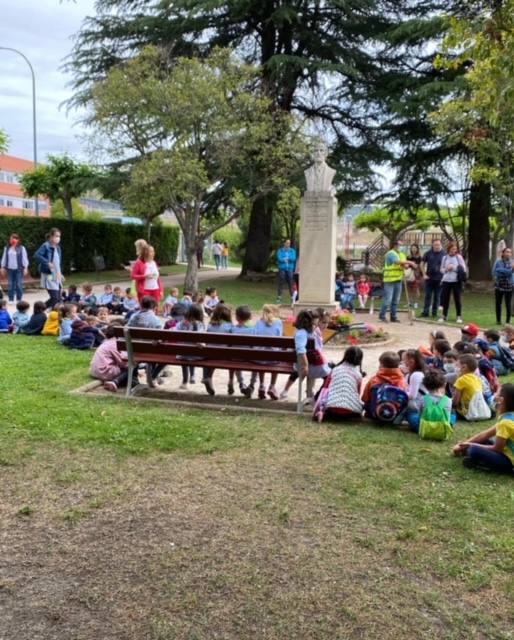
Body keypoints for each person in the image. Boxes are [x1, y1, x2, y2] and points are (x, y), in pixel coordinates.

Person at [453, 383, 514, 473]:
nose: (493, 395)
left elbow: (497, 449)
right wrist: (465, 443)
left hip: (509, 461)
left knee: (474, 450)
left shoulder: (505, 423)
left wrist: (471, 445)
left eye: (496, 393)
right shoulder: (509, 416)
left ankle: (484, 465)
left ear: (500, 400)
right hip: (505, 451)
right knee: (482, 441)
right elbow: (486, 434)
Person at [312, 346, 365, 422]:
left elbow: (325, 388)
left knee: (328, 408)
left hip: (331, 407)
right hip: (350, 410)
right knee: (357, 411)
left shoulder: (335, 370)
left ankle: (323, 414)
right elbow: (358, 393)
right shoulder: (358, 375)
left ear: (345, 356)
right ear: (360, 360)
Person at [251, 304, 283, 400]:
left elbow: (254, 338)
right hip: (273, 358)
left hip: (259, 358)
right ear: (273, 312)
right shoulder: (278, 322)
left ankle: (261, 385)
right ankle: (272, 386)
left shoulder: (258, 323)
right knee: (276, 354)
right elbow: (280, 339)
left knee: (262, 354)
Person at [90, 320, 132, 392]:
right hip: (104, 372)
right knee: (131, 367)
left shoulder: (106, 342)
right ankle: (116, 381)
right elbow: (123, 363)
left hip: (94, 371)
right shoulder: (115, 343)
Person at [379, 239, 415, 323]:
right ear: (395, 245)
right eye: (400, 245)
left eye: (402, 245)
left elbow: (403, 264)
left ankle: (393, 317)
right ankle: (382, 316)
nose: (401, 247)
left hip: (398, 279)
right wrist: (410, 262)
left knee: (396, 300)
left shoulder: (402, 254)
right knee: (388, 299)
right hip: (389, 280)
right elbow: (397, 261)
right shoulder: (390, 253)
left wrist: (406, 266)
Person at [175, 303, 205, 389]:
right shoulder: (200, 324)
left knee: (185, 356)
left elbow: (175, 332)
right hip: (196, 355)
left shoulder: (181, 323)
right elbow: (199, 339)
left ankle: (185, 382)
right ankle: (192, 376)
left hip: (182, 354)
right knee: (192, 352)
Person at [453, 354, 491, 420]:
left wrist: (452, 406)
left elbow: (456, 401)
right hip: (480, 410)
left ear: (464, 367)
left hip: (467, 412)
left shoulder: (461, 380)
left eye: (457, 365)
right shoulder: (477, 378)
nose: (455, 368)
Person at [34, 228, 64, 309]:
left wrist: (60, 274)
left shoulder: (58, 247)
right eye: (56, 236)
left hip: (56, 275)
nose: (58, 238)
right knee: (55, 297)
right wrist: (47, 262)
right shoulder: (46, 245)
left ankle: (52, 314)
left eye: (59, 236)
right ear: (51, 236)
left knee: (58, 298)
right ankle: (39, 309)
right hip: (48, 274)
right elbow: (37, 255)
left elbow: (57, 263)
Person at [439, 241, 467, 324]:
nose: (453, 251)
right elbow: (441, 269)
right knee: (445, 299)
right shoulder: (445, 258)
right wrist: (446, 269)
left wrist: (454, 268)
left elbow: (463, 269)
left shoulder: (459, 257)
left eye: (455, 249)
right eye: (451, 249)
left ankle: (459, 316)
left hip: (456, 281)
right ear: (448, 249)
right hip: (446, 280)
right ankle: (444, 315)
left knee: (457, 299)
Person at [0, 233, 29, 303]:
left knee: (19, 284)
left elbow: (24, 258)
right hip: (10, 270)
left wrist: (25, 267)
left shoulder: (22, 248)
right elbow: (4, 258)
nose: (12, 240)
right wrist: (2, 267)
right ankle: (11, 299)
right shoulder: (6, 248)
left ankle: (19, 299)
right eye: (11, 239)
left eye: (14, 238)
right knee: (10, 285)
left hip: (19, 269)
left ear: (18, 240)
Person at [420, 239, 445, 318]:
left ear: (441, 245)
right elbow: (421, 264)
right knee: (428, 296)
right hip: (429, 278)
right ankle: (425, 312)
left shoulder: (444, 254)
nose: (437, 246)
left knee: (437, 297)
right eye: (435, 245)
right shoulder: (428, 253)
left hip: (440, 279)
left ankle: (434, 313)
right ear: (432, 245)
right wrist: (424, 274)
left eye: (438, 245)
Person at [492, 247, 514, 325]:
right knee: (498, 303)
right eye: (507, 252)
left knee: (508, 304)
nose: (509, 253)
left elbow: (509, 273)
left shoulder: (512, 262)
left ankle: (508, 321)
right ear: (503, 253)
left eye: (510, 252)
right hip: (499, 285)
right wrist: (509, 271)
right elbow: (495, 273)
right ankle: (498, 320)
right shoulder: (498, 262)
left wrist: (502, 271)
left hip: (509, 285)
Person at [276, 239, 297, 304]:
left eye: (289, 243)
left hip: (290, 269)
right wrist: (284, 259)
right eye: (287, 243)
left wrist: (286, 259)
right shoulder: (280, 250)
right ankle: (279, 298)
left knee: (290, 283)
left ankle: (292, 298)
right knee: (281, 282)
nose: (288, 244)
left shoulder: (292, 251)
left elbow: (293, 258)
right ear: (284, 243)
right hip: (282, 269)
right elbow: (279, 258)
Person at [406, 243, 423, 309]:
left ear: (417, 249)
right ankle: (410, 302)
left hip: (416, 274)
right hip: (409, 274)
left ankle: (416, 303)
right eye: (412, 248)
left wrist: (415, 266)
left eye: (415, 248)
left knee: (416, 289)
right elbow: (406, 264)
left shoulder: (420, 257)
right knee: (409, 289)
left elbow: (420, 266)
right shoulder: (408, 256)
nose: (413, 250)